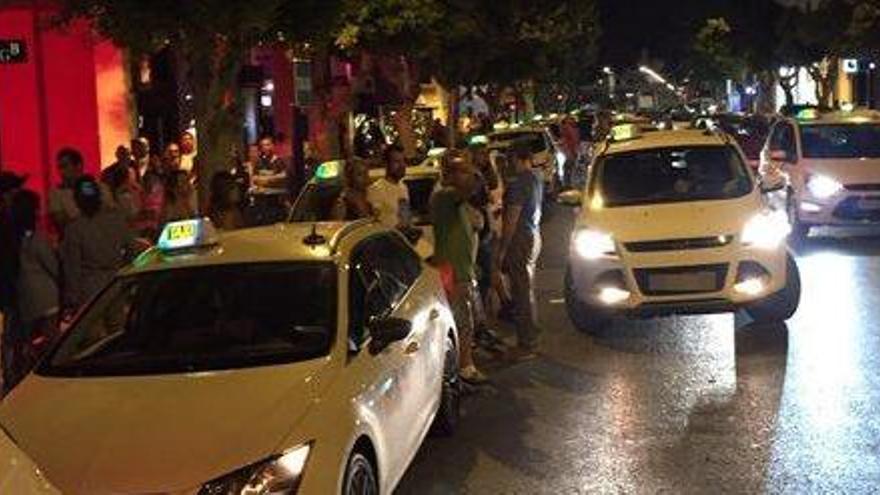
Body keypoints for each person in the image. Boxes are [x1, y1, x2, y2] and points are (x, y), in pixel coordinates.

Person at [431, 151, 486, 384]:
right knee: (461, 322)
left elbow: (478, 219)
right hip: (452, 271)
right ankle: (464, 368)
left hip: (462, 269)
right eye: (461, 171)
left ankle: (463, 365)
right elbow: (471, 189)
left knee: (466, 321)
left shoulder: (457, 202)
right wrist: (472, 169)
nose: (466, 176)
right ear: (450, 174)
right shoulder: (444, 196)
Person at [494, 139, 544, 360]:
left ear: (518, 158)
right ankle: (531, 331)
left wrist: (503, 248)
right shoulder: (535, 178)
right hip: (533, 234)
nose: (508, 164)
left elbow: (512, 218)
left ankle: (526, 344)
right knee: (527, 286)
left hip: (520, 238)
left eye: (510, 159)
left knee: (520, 290)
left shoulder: (518, 183)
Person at [6, 190, 60, 392]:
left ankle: (23, 379)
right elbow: (51, 265)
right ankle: (49, 379)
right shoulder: (35, 237)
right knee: (51, 343)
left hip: (25, 298)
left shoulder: (12, 238)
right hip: (46, 296)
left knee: (27, 342)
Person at [61, 176, 133, 311]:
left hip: (90, 287)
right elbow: (131, 250)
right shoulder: (116, 219)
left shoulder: (74, 228)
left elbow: (73, 267)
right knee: (117, 327)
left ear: (76, 200)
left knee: (94, 330)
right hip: (116, 280)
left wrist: (72, 296)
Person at [48, 148, 115, 234]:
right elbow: (61, 223)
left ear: (78, 165)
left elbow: (111, 213)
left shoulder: (100, 187)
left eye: (65, 166)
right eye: (59, 167)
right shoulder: (57, 193)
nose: (61, 172)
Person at [247, 134, 290, 225]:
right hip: (263, 201)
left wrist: (267, 180)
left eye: (268, 145)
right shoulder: (259, 162)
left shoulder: (279, 161)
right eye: (263, 145)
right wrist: (272, 178)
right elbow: (254, 178)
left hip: (277, 201)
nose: (266, 148)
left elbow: (283, 176)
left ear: (273, 146)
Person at [367, 144, 410, 228]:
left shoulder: (403, 187)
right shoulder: (376, 189)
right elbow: (374, 222)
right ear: (386, 164)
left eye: (403, 161)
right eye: (397, 162)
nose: (402, 165)